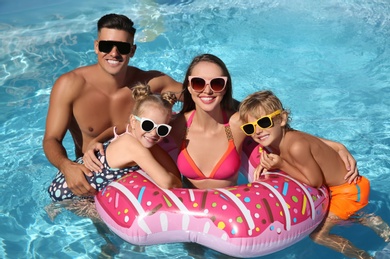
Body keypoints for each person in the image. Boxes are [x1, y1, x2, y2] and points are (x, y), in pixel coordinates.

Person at [84, 54, 360, 190]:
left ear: (225, 87)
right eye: (198, 83)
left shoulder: (238, 123)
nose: (207, 90)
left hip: (235, 219)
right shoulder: (177, 125)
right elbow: (131, 128)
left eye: (216, 83)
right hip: (188, 217)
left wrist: (335, 146)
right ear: (189, 87)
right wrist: (95, 142)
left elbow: (282, 131)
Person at [238, 90, 390, 259]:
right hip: (342, 188)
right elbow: (321, 146)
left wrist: (280, 164)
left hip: (348, 190)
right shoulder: (280, 138)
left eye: (264, 122)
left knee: (318, 235)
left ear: (281, 119)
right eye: (250, 127)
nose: (258, 131)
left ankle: (365, 257)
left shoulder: (296, 146)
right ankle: (371, 221)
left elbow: (315, 181)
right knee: (357, 217)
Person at [43, 13, 182, 198]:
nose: (114, 53)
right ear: (96, 46)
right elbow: (51, 139)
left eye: (122, 47)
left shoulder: (152, 82)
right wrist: (66, 166)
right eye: (106, 46)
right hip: (93, 180)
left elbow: (202, 94)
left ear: (132, 50)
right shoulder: (70, 85)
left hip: (135, 174)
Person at [48, 84, 182, 201]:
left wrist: (96, 140)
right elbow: (168, 183)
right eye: (148, 125)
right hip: (71, 195)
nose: (154, 133)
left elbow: (119, 126)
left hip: (66, 181)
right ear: (133, 121)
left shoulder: (129, 131)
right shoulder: (133, 146)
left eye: (162, 129)